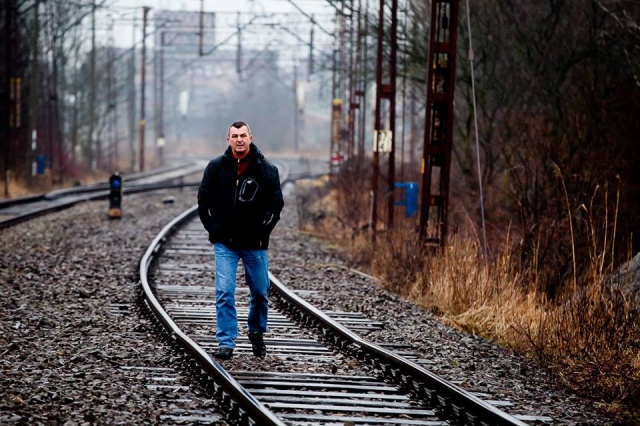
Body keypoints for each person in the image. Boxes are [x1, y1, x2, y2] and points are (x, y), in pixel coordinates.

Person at [197, 121, 284, 360]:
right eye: (234, 136)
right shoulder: (215, 168)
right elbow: (203, 201)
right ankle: (226, 341)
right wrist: (213, 228)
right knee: (224, 291)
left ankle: (256, 331)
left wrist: (263, 231)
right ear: (228, 139)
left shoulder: (266, 170)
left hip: (254, 245)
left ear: (250, 138)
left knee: (259, 292)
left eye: (243, 135)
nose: (239, 140)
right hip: (225, 243)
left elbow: (276, 206)